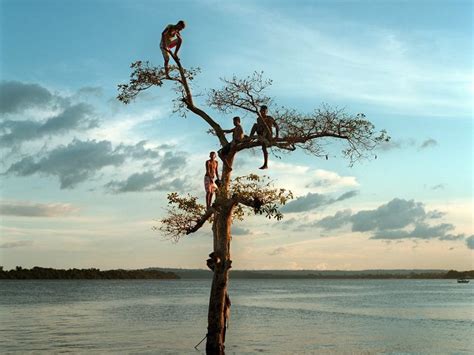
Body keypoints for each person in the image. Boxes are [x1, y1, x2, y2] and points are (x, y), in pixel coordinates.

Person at [250, 105, 279, 169]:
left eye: (264, 111)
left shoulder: (269, 118)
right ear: (260, 111)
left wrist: (277, 136)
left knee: (264, 146)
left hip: (267, 135)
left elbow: (276, 126)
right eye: (261, 111)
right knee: (255, 125)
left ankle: (265, 164)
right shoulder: (259, 119)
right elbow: (258, 127)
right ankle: (250, 138)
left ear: (266, 111)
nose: (262, 112)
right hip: (260, 134)